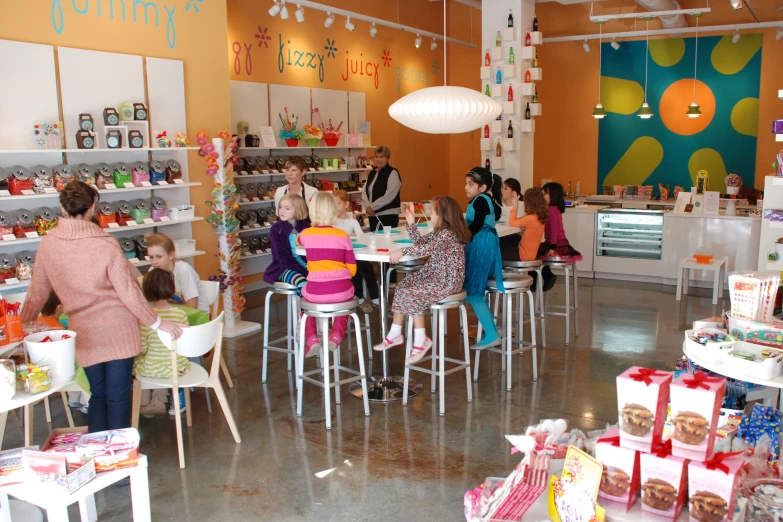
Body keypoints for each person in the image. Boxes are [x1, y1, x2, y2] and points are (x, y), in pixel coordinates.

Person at [20, 180, 183, 433]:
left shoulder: (48, 245)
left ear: (62, 208)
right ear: (93, 207)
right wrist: (159, 323)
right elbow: (128, 292)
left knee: (97, 394)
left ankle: (99, 456)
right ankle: (120, 463)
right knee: (118, 397)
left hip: (84, 331)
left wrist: (21, 326)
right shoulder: (106, 243)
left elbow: (37, 293)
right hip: (119, 329)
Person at [373, 198, 471, 363]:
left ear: (442, 215)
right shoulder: (440, 231)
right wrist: (411, 224)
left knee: (412, 292)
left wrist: (402, 251)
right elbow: (421, 243)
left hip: (447, 280)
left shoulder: (448, 233)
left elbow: (427, 249)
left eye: (432, 213)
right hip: (435, 275)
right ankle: (395, 333)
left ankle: (421, 338)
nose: (430, 216)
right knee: (403, 286)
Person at [296, 192, 357, 357]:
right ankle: (336, 334)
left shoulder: (307, 234)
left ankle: (312, 338)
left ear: (312, 211)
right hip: (342, 290)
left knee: (303, 300)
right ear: (333, 211)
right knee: (345, 299)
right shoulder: (343, 236)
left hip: (316, 292)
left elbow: (298, 240)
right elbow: (352, 271)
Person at [134, 269, 190, 417]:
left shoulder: (147, 318)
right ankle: (159, 400)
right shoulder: (181, 314)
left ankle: (144, 402)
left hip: (151, 368)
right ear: (171, 288)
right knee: (166, 366)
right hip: (176, 367)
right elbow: (183, 344)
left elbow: (142, 348)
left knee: (141, 364)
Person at [464, 167, 505, 349]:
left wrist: (462, 237)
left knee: (474, 293)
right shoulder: (485, 199)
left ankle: (491, 334)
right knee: (476, 291)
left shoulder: (480, 200)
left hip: (481, 245)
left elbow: (478, 224)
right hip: (485, 243)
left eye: (470, 184)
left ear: (483, 187)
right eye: (466, 183)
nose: (466, 187)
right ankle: (493, 329)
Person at [333, 190, 378, 314]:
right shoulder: (331, 221)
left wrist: (352, 236)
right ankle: (359, 298)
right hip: (338, 257)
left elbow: (361, 237)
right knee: (357, 267)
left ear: (346, 204)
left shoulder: (352, 221)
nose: (334, 207)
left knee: (368, 267)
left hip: (352, 254)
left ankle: (375, 298)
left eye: (337, 204)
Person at [145, 233, 208, 314]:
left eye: (159, 257)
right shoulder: (152, 270)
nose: (154, 262)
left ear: (171, 255)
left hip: (197, 318)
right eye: (151, 257)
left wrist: (165, 308)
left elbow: (192, 307)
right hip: (172, 314)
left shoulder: (184, 270)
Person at [538, 182, 583, 291]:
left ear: (553, 195)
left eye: (545, 194)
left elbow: (554, 230)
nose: (543, 196)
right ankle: (545, 276)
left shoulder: (551, 210)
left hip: (555, 243)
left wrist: (552, 247)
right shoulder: (555, 209)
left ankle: (546, 276)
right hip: (560, 242)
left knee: (534, 254)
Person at [263, 194, 310, 292]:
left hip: (307, 266)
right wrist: (302, 270)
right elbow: (282, 257)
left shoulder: (306, 227)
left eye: (287, 208)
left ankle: (308, 306)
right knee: (302, 283)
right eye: (280, 207)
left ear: (298, 209)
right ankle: (301, 307)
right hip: (283, 268)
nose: (282, 211)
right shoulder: (277, 229)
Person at [362, 145, 401, 232]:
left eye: (382, 157)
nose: (378, 160)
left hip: (388, 216)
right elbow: (364, 191)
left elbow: (389, 195)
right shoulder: (373, 173)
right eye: (377, 157)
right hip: (373, 215)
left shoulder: (392, 173)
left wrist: (372, 207)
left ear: (387, 158)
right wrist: (368, 207)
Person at [499, 178, 524, 250]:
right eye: (502, 188)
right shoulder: (499, 206)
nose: (502, 191)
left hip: (516, 236)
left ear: (513, 192)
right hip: (501, 235)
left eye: (505, 189)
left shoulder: (522, 205)